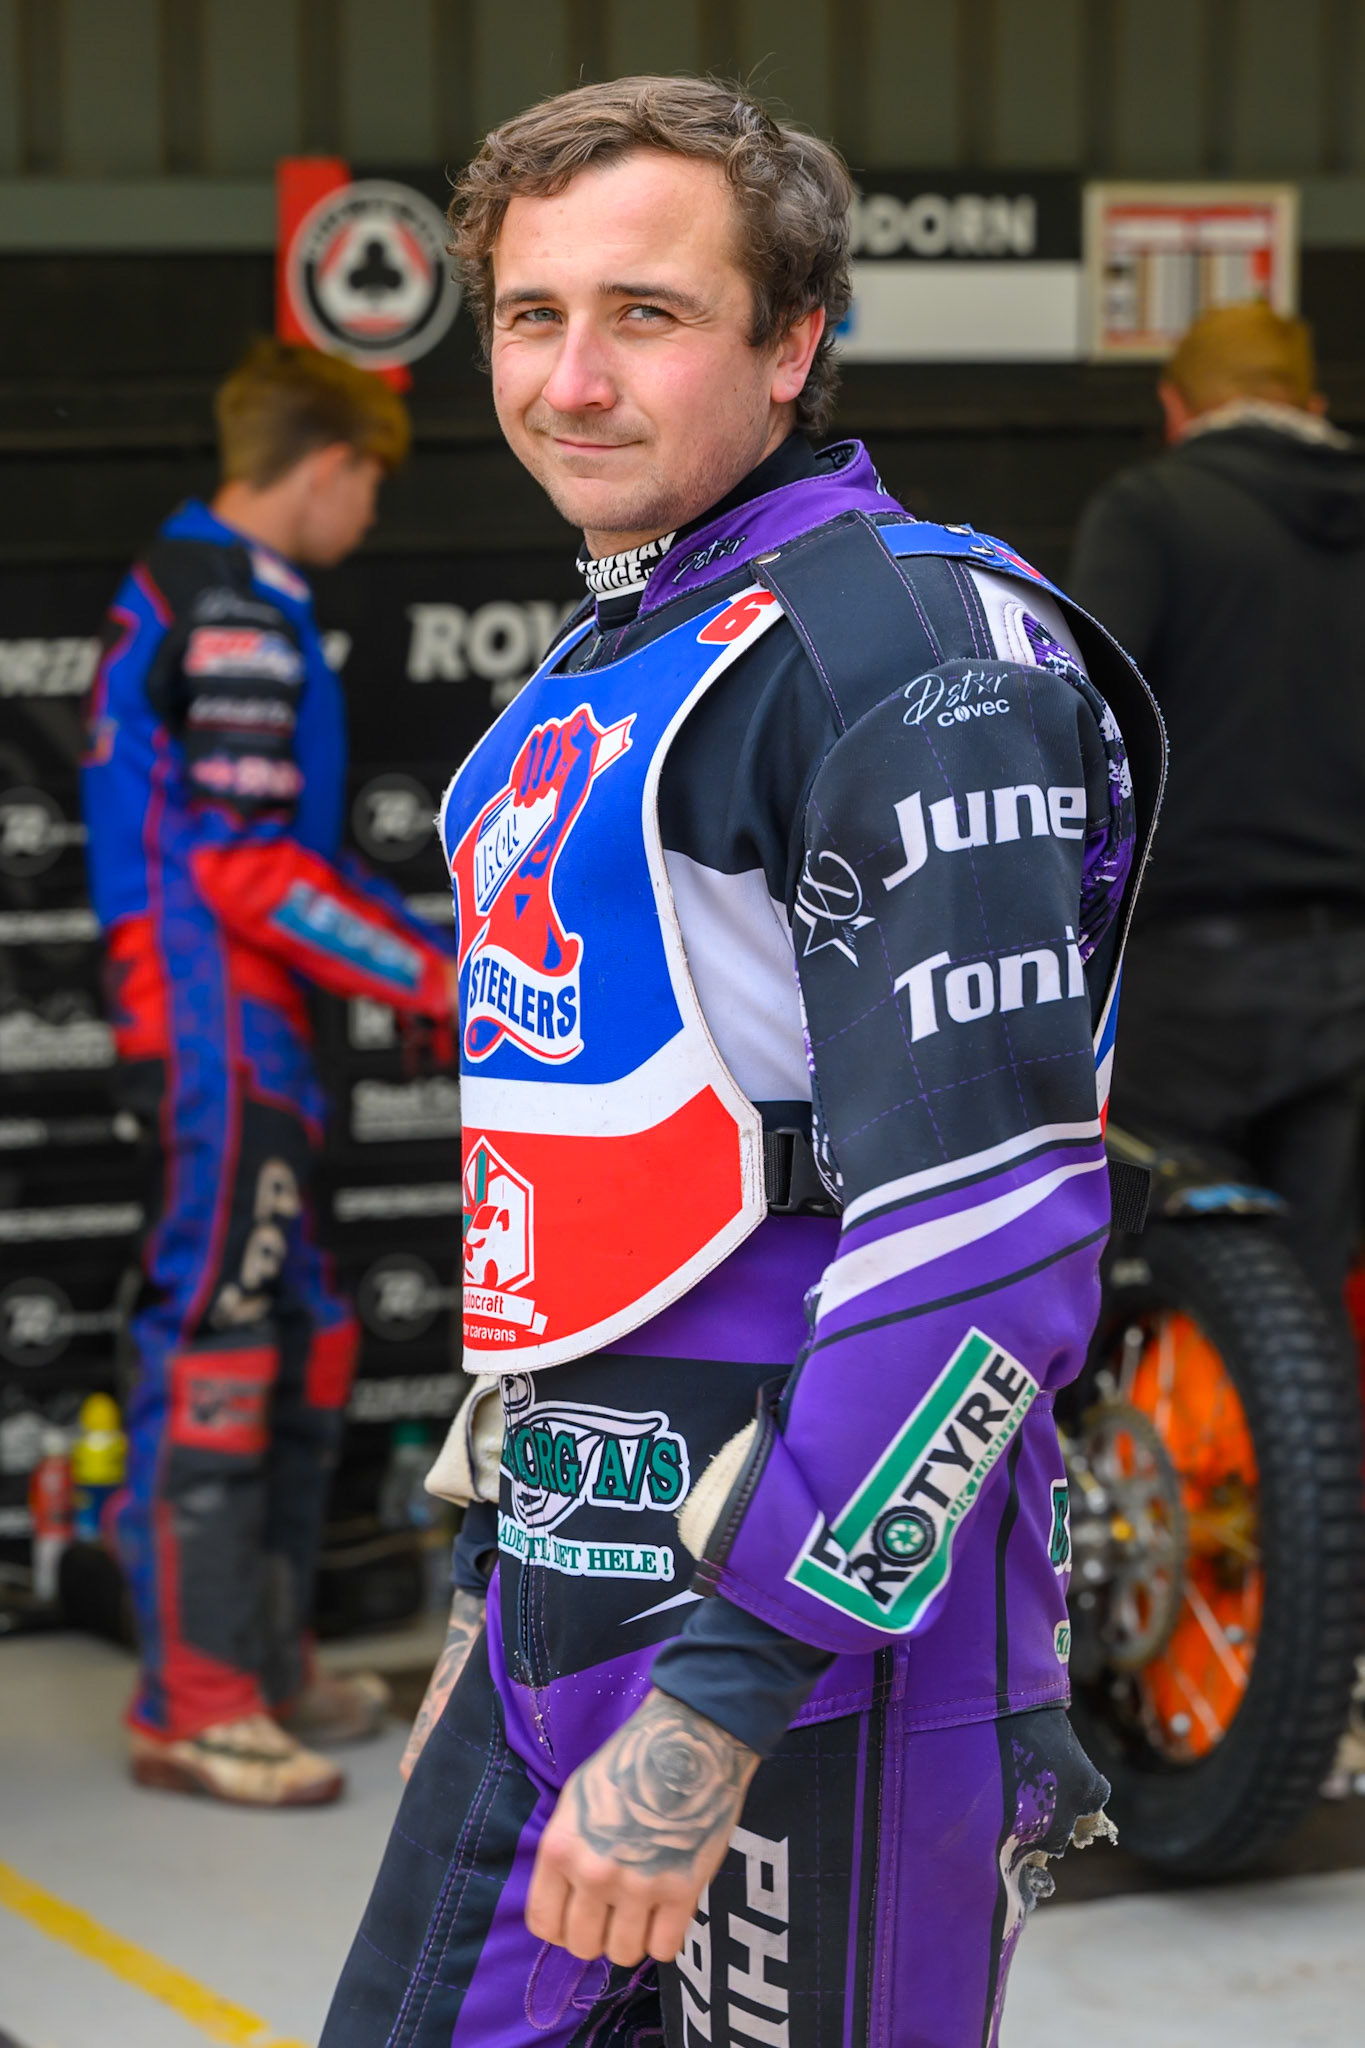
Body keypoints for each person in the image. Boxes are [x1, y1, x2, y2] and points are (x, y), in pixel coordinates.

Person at [323, 77, 1161, 2047]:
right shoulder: (620, 650)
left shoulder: (909, 655)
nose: (570, 377)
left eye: (646, 314)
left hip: (814, 1658)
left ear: (790, 344)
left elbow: (994, 1258)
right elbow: (594, 1197)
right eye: (531, 316)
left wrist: (711, 1703)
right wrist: (487, 1580)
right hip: (560, 1595)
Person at [81, 341, 459, 1807]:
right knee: (223, 1342)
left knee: (299, 1329)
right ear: (327, 466)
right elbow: (245, 864)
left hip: (243, 1031)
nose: (367, 518)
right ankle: (197, 1698)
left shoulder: (204, 585)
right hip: (215, 1028)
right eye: (368, 487)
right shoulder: (231, 607)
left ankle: (267, 1657)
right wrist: (429, 970)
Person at [1069, 302, 1365, 1333]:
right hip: (1348, 970)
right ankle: (1301, 1500)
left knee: (1151, 1285)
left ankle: (1149, 1493)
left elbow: (1079, 711)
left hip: (1185, 969)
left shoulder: (1154, 509)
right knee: (1311, 1310)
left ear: (1173, 407)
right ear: (1314, 407)